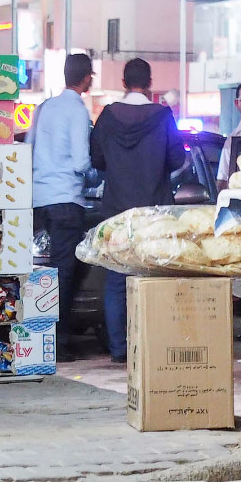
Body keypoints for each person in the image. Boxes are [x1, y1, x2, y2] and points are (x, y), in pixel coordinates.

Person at [89, 58, 186, 364]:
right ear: (150, 81)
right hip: (155, 208)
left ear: (123, 82)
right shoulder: (162, 116)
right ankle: (155, 344)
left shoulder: (106, 116)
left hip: (116, 208)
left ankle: (119, 348)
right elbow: (177, 159)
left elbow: (96, 160)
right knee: (156, 274)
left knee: (117, 276)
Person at [29, 53, 94, 362]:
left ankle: (47, 335)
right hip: (67, 198)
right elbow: (82, 160)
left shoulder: (43, 109)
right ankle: (59, 341)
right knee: (66, 271)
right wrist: (92, 171)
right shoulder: (78, 111)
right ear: (87, 78)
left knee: (51, 270)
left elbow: (28, 148)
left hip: (40, 200)